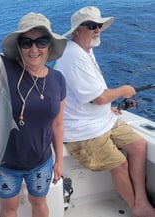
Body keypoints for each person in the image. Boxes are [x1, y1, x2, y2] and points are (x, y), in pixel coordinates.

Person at [0, 1, 67, 217]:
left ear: (50, 46)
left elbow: (58, 123)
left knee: (39, 203)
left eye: (41, 41)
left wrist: (60, 161)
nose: (34, 49)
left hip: (42, 161)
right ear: (18, 46)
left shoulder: (58, 80)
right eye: (26, 42)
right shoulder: (4, 69)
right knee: (8, 208)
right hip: (6, 164)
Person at [55, 6, 155, 217]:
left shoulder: (85, 49)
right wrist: (122, 91)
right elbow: (98, 96)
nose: (97, 30)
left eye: (99, 25)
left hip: (102, 118)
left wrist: (107, 107)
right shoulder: (73, 56)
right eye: (91, 26)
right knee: (121, 164)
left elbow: (91, 94)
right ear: (77, 30)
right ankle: (137, 208)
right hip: (83, 130)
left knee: (138, 146)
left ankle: (142, 200)